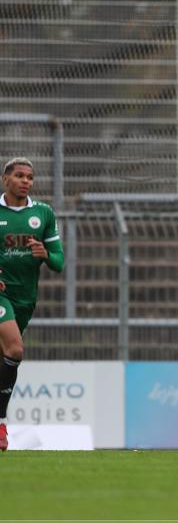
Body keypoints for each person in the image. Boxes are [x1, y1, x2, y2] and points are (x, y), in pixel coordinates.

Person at [0, 158, 65, 452]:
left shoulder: (43, 213)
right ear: (6, 179)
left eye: (30, 177)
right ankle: (1, 425)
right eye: (19, 176)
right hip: (2, 295)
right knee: (15, 349)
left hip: (26, 298)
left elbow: (59, 262)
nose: (26, 181)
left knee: (5, 358)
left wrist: (44, 254)